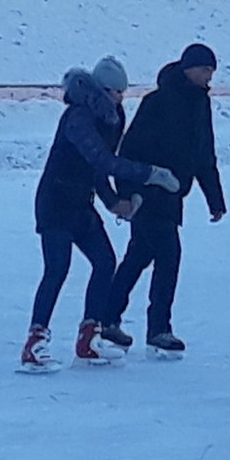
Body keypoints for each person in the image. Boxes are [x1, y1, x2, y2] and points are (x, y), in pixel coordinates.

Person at [21, 56, 179, 373]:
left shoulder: (111, 116)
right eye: (117, 92)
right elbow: (102, 160)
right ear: (101, 89)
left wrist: (111, 201)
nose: (122, 99)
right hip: (55, 202)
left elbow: (96, 169)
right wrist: (150, 173)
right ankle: (34, 343)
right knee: (57, 269)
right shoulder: (78, 117)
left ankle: (88, 339)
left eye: (123, 93)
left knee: (105, 261)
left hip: (81, 203)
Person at [103, 43, 227, 357]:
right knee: (168, 256)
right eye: (203, 69)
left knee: (138, 257)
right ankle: (159, 328)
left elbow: (203, 153)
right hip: (148, 193)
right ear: (187, 68)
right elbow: (129, 150)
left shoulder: (201, 104)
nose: (208, 75)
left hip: (174, 195)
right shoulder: (157, 102)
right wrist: (127, 193)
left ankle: (107, 318)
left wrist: (214, 198)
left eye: (211, 70)